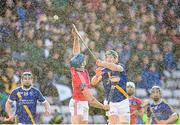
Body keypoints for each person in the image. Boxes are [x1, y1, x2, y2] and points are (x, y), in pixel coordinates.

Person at [69, 28, 109, 124]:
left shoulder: (78, 69)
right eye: (84, 59)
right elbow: (91, 100)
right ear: (83, 63)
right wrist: (103, 107)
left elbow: (76, 52)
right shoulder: (79, 78)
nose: (85, 58)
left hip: (83, 103)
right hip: (77, 104)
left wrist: (76, 37)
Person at [91, 49, 130, 124]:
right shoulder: (103, 70)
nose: (109, 59)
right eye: (107, 57)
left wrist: (102, 63)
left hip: (123, 101)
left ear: (116, 59)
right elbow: (93, 82)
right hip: (110, 101)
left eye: (111, 57)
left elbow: (114, 67)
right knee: (114, 123)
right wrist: (96, 75)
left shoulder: (120, 67)